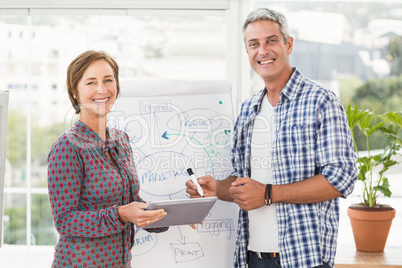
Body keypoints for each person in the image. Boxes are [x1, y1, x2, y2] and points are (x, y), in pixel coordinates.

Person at [186, 8, 357, 268]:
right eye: (254, 44)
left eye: (271, 41)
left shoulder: (321, 101)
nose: (263, 51)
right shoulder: (248, 108)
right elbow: (245, 180)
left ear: (288, 44)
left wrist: (267, 194)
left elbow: (341, 178)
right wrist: (218, 188)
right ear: (248, 53)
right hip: (252, 257)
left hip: (304, 258)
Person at [47, 50, 168, 267]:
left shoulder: (121, 140)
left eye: (108, 80)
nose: (102, 90)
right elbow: (65, 221)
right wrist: (122, 214)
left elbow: (130, 204)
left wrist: (177, 214)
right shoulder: (67, 147)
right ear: (75, 92)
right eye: (91, 82)